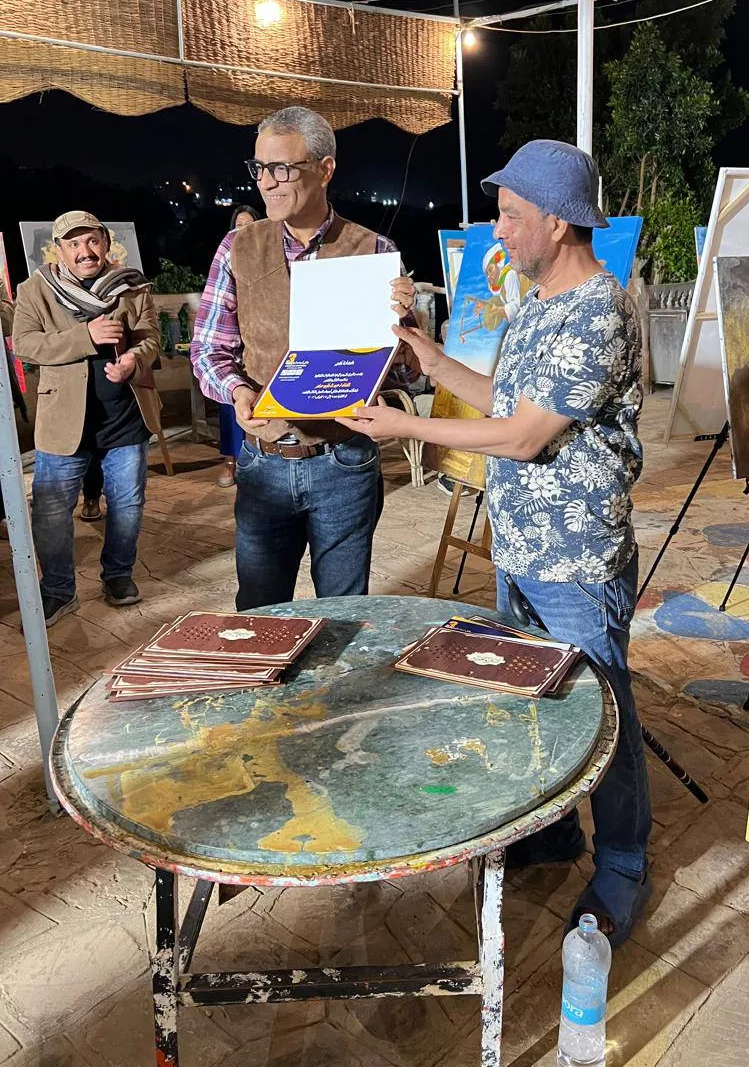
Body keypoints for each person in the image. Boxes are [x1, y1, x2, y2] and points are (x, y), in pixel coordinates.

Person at [345, 140, 652, 947]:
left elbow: (522, 436)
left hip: (575, 561)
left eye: (510, 216)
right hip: (520, 548)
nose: (497, 230)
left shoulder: (598, 312)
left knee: (606, 715)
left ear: (558, 222)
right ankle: (555, 831)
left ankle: (623, 864)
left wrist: (407, 427)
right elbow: (504, 398)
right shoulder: (540, 304)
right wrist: (427, 355)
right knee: (536, 700)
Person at [190, 106, 419, 610]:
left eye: (281, 168)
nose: (266, 182)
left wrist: (405, 326)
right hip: (264, 460)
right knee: (260, 613)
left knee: (343, 611)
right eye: (259, 168)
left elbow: (404, 372)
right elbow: (209, 348)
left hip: (345, 460)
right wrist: (238, 391)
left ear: (325, 168)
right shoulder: (237, 246)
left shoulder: (373, 249)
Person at [13, 211, 162, 624]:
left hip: (125, 418)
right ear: (59, 250)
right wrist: (86, 336)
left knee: (127, 504)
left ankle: (118, 576)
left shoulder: (132, 286)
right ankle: (58, 591)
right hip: (63, 423)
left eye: (92, 241)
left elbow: (151, 336)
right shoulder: (35, 290)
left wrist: (134, 359)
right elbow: (24, 344)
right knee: (50, 511)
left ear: (106, 243)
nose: (85, 251)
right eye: (74, 243)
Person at [215, 205, 265, 489]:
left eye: (249, 226)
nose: (242, 232)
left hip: (261, 356)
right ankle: (230, 460)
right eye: (238, 226)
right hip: (235, 355)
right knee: (230, 402)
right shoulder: (226, 261)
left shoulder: (268, 261)